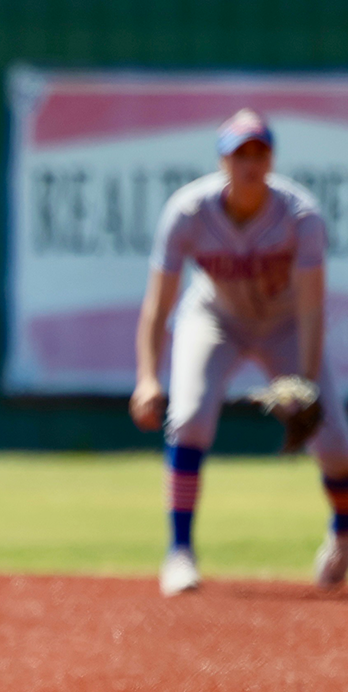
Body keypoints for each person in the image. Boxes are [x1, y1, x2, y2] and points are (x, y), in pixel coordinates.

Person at [130, 108, 348, 596]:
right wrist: (147, 377)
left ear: (271, 159)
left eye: (259, 152)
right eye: (239, 154)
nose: (250, 164)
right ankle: (179, 552)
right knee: (187, 419)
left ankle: (341, 533)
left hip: (286, 323)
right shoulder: (188, 212)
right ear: (222, 161)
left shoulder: (300, 215)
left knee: (336, 446)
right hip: (215, 317)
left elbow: (313, 308)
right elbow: (157, 305)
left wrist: (306, 383)